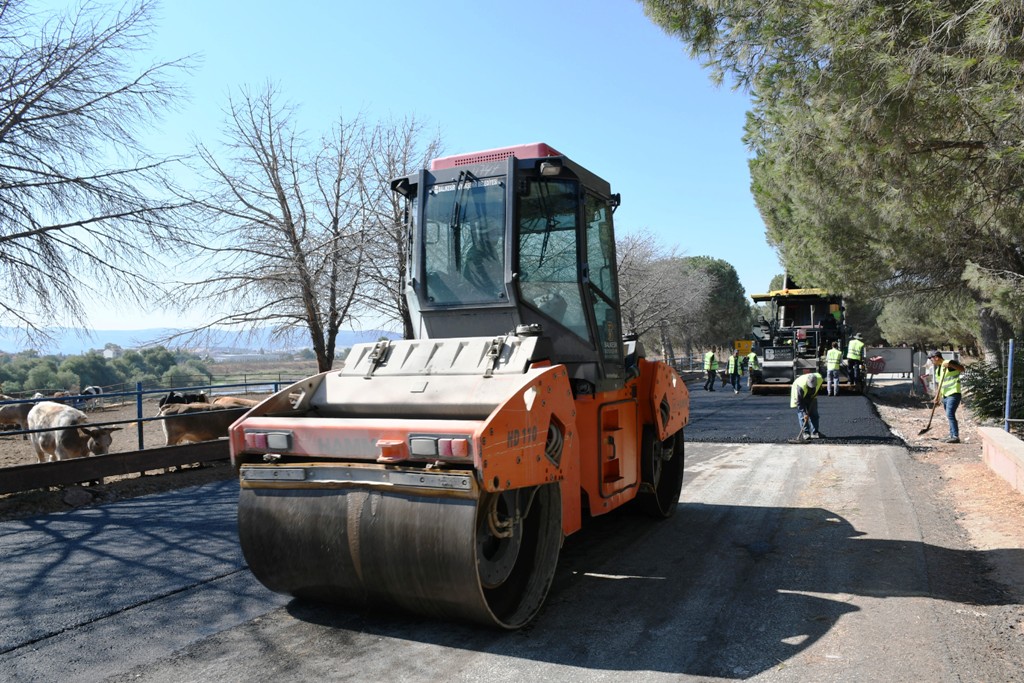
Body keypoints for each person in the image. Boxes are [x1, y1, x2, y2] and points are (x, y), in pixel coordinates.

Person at [929, 350, 966, 443]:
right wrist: (937, 397)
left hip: (954, 393)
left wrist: (951, 365)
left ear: (936, 358)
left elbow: (962, 369)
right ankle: (951, 434)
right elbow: (941, 385)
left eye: (931, 359)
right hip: (945, 395)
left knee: (950, 414)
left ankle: (955, 436)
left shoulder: (948, 363)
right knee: (949, 415)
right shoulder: (938, 369)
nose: (931, 361)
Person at [791, 372, 824, 439]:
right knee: (802, 416)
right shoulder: (800, 386)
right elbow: (799, 402)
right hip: (800, 397)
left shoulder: (819, 378)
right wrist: (804, 413)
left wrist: (815, 394)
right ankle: (806, 433)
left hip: (811, 396)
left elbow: (820, 386)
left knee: (814, 414)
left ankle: (815, 432)